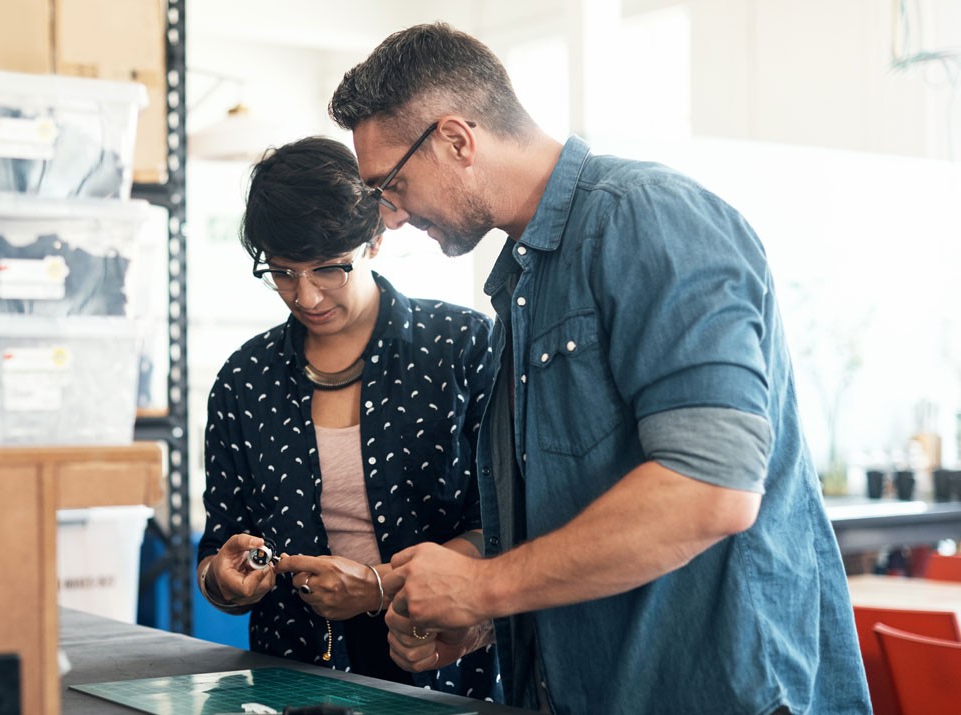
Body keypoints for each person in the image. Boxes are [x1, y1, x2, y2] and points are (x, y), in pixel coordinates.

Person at [328, 23, 871, 715]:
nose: (391, 218)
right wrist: (482, 615)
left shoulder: (648, 219)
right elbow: (582, 510)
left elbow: (711, 489)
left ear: (456, 141)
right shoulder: (523, 284)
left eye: (392, 185)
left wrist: (485, 585)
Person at [195, 136, 502, 701]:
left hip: (438, 666)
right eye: (282, 272)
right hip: (289, 675)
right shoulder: (246, 378)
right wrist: (224, 577)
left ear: (376, 239)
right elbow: (217, 548)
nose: (305, 294)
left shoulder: (461, 348)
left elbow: (507, 529)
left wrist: (383, 586)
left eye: (330, 270)